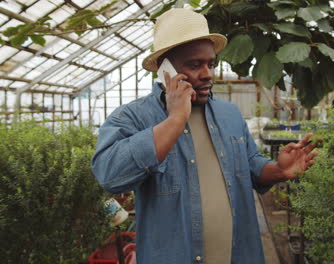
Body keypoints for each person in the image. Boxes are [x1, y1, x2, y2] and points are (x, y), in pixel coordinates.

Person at [92, 8, 319, 264]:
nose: (207, 74)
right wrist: (176, 118)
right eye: (194, 64)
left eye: (211, 63)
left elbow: (251, 166)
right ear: (165, 68)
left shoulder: (230, 114)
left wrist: (277, 169)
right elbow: (110, 175)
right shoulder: (132, 117)